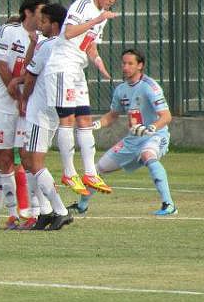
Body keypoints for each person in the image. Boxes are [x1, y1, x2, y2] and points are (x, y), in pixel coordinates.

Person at [40, 0, 123, 197]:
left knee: (85, 120)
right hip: (62, 66)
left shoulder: (102, 17)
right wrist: (96, 20)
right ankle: (69, 173)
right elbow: (68, 33)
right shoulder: (83, 5)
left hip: (77, 69)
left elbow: (90, 44)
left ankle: (89, 173)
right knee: (67, 120)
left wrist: (98, 62)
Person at [69, 48, 176, 217]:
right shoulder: (121, 90)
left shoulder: (150, 87)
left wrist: (152, 127)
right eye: (124, 63)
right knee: (96, 169)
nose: (125, 67)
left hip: (155, 136)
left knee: (149, 155)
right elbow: (112, 116)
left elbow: (166, 116)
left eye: (130, 63)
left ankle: (169, 204)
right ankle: (81, 206)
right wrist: (95, 125)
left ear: (140, 65)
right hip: (132, 140)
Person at [0, 0, 47, 230]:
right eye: (40, 12)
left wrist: (25, 99)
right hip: (3, 104)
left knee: (28, 157)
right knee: (4, 158)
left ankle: (35, 213)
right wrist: (18, 97)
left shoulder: (44, 38)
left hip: (28, 104)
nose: (43, 17)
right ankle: (13, 213)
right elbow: (2, 65)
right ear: (28, 12)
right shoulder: (8, 30)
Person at [19, 2, 75, 230]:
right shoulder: (64, 45)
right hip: (52, 108)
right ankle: (44, 211)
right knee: (26, 157)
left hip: (40, 110)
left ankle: (60, 210)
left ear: (53, 25)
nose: (39, 25)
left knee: (34, 161)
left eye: (43, 21)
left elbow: (29, 75)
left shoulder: (49, 46)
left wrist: (23, 99)